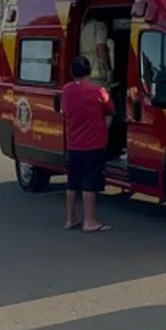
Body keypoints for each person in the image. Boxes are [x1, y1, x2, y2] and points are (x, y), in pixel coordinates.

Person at [62, 55, 115, 233]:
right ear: (89, 71)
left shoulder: (67, 90)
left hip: (73, 145)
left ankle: (70, 218)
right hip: (93, 145)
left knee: (72, 183)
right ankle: (89, 221)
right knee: (89, 183)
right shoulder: (98, 91)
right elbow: (110, 111)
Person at [80, 15, 112, 87]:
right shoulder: (100, 25)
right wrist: (108, 69)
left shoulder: (81, 27)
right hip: (97, 75)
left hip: (83, 73)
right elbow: (101, 48)